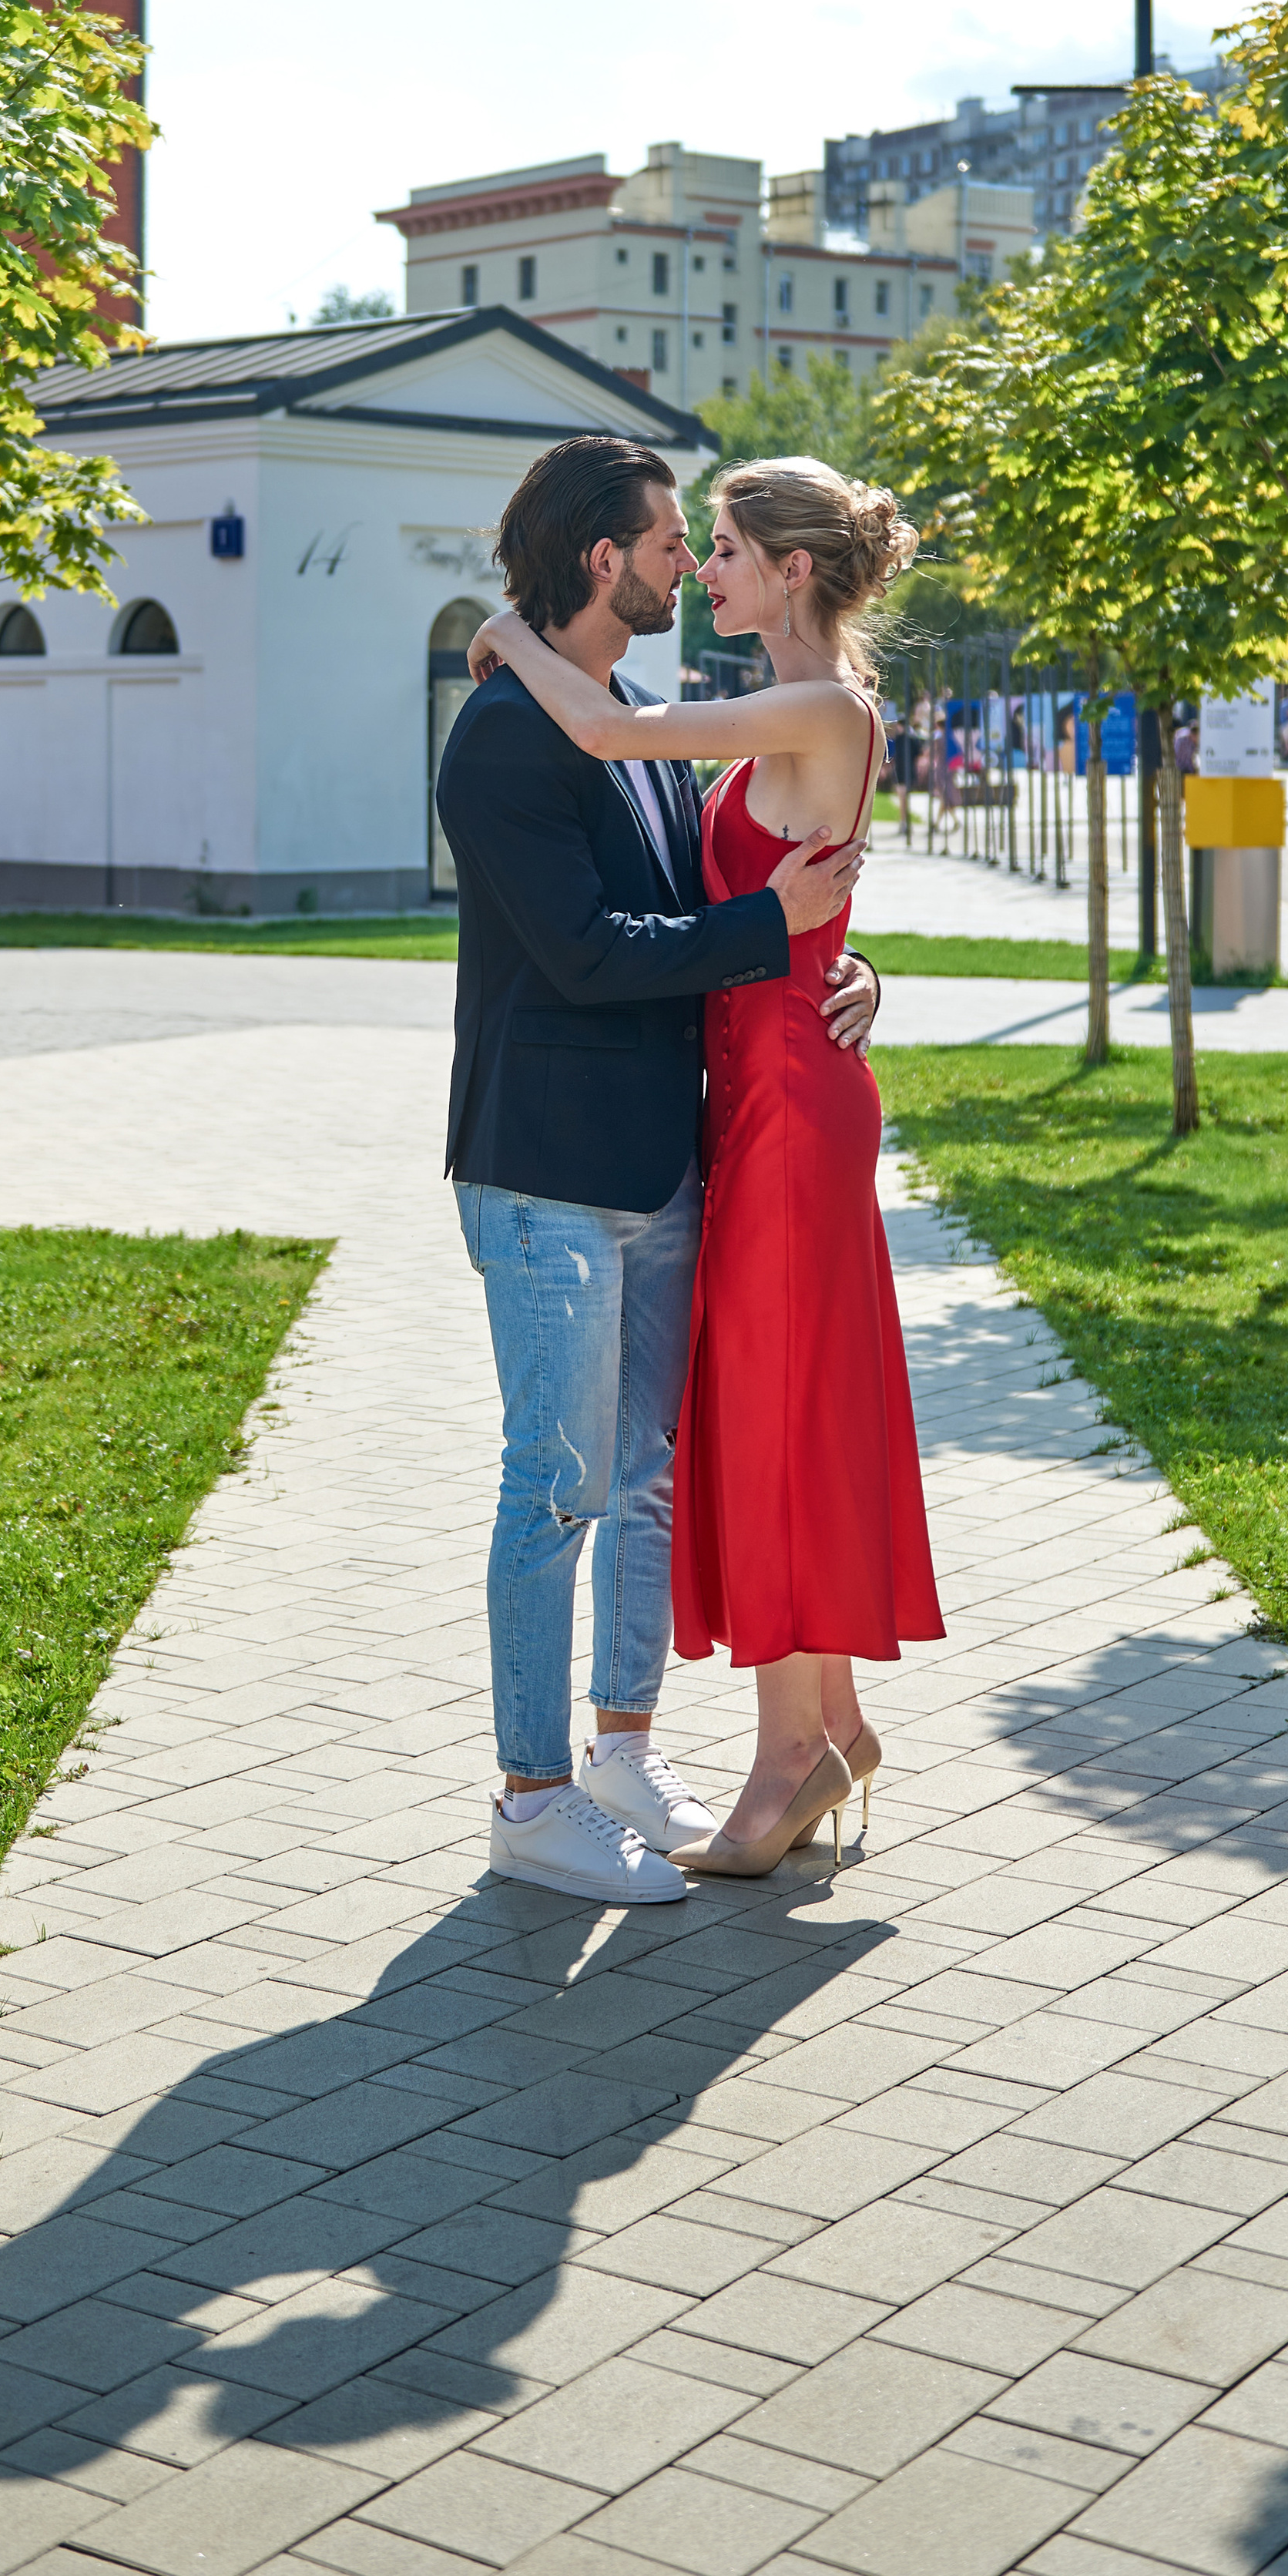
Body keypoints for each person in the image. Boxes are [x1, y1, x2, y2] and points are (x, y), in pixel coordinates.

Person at [468, 455, 944, 1880]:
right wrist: (834, 963)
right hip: (748, 1101)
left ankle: (790, 1752)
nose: (705, 569)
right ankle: (828, 1726)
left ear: (792, 571)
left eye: (723, 546)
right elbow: (755, 892)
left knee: (774, 1418)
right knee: (769, 1408)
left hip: (783, 1108)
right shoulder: (788, 718)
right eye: (690, 545)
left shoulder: (810, 701)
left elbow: (624, 745)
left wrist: (503, 646)